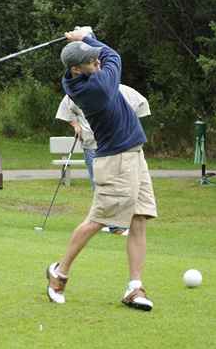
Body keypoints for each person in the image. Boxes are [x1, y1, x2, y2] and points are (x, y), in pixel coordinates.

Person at [46, 28, 158, 311]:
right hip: (116, 160)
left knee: (139, 218)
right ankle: (59, 273)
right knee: (98, 220)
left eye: (96, 61)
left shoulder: (87, 75)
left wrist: (84, 43)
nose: (98, 64)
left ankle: (134, 287)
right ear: (76, 69)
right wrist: (88, 36)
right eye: (91, 62)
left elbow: (103, 56)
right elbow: (114, 56)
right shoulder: (95, 88)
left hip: (134, 154)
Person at [55, 84, 151, 235]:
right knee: (99, 184)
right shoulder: (79, 90)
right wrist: (75, 125)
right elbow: (66, 109)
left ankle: (116, 225)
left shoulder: (121, 90)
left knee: (120, 185)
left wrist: (128, 122)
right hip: (91, 145)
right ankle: (108, 223)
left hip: (117, 147)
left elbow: (141, 104)